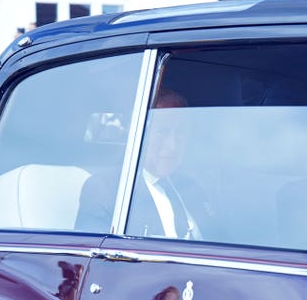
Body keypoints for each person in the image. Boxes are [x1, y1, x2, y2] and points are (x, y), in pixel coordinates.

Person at [76, 88, 217, 239]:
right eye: (162, 132)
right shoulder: (106, 189)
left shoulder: (190, 186)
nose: (172, 146)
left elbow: (218, 239)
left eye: (180, 133)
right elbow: (93, 256)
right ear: (139, 133)